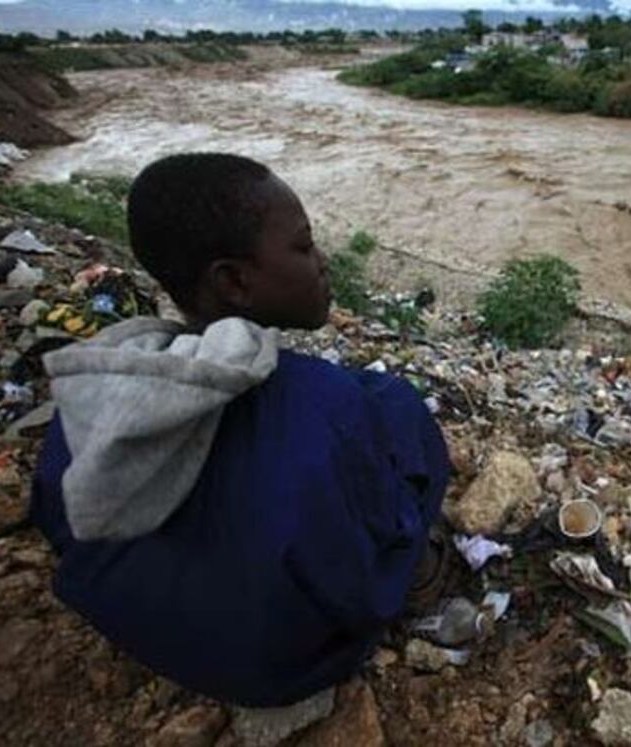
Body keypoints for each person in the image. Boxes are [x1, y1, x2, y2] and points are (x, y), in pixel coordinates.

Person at [30, 153, 450, 707]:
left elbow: (63, 525)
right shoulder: (328, 407)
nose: (322, 263)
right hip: (279, 667)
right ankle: (425, 572)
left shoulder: (97, 396)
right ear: (233, 282)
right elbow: (356, 589)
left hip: (149, 632)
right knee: (397, 409)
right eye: (304, 247)